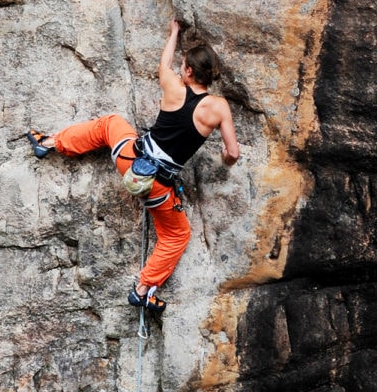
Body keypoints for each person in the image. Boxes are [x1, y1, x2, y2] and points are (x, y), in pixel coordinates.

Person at [26, 19, 240, 312]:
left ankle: (49, 143)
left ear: (189, 71)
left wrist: (174, 32)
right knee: (176, 236)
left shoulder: (173, 86)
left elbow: (164, 63)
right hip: (157, 188)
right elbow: (233, 152)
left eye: (183, 65)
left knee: (110, 124)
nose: (179, 68)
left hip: (129, 157)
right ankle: (142, 290)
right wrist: (225, 161)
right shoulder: (218, 108)